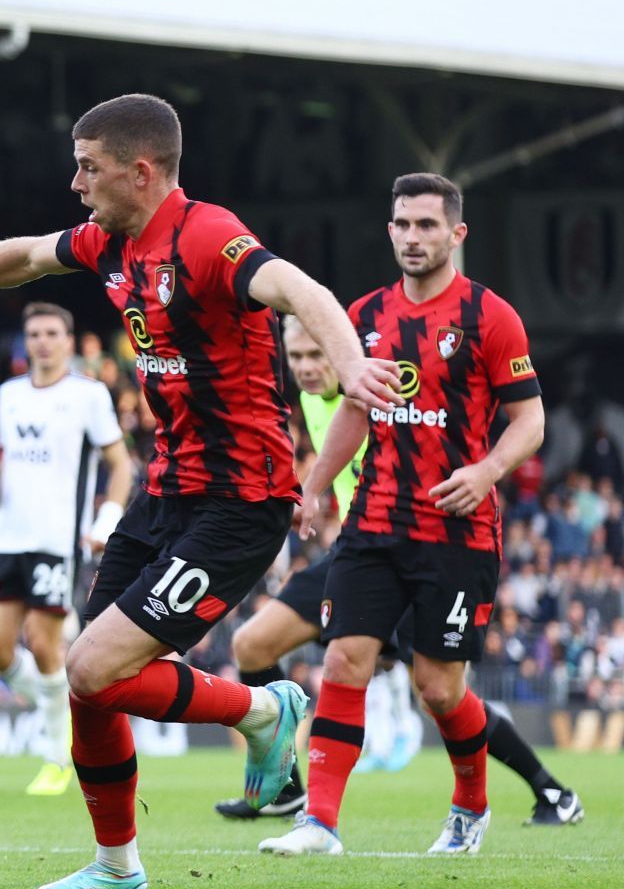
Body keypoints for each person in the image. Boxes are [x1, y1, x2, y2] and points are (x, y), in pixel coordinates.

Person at [0, 92, 402, 889]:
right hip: (166, 487)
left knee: (95, 665)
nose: (75, 184)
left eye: (88, 167)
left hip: (240, 499)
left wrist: (347, 366)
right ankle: (116, 866)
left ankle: (264, 713)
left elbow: (302, 291)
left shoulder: (208, 235)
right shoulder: (111, 239)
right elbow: (24, 256)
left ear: (141, 172)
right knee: (84, 678)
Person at [262, 173, 554, 856]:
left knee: (438, 687)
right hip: (373, 525)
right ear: (389, 230)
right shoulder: (363, 315)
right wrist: (315, 483)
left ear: (456, 233)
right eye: (402, 224)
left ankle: (470, 804)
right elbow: (355, 414)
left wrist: (486, 470)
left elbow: (530, 419)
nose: (413, 237)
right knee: (343, 660)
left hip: (458, 532)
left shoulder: (489, 317)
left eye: (427, 225)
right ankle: (320, 824)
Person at [217, 317, 580, 824]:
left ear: (341, 352)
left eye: (314, 356)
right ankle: (288, 791)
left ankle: (553, 792)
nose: (303, 368)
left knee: (441, 696)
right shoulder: (317, 404)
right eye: (294, 357)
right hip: (356, 555)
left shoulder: (384, 398)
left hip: (413, 554)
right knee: (250, 646)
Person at [0, 302, 133, 796]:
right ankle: (56, 710)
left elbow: (121, 466)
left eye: (52, 333)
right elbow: (11, 459)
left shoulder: (88, 396)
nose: (43, 342)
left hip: (56, 539)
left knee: (45, 643)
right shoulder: (9, 395)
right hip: (6, 537)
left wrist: (105, 520)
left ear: (68, 341)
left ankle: (54, 755)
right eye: (35, 334)